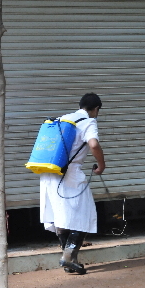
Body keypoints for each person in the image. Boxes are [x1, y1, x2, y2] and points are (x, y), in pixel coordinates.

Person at [40, 93, 106, 274]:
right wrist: (101, 164)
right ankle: (68, 257)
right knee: (85, 212)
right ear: (96, 109)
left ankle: (69, 259)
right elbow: (93, 144)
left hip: (50, 171)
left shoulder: (64, 119)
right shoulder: (88, 121)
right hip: (69, 173)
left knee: (62, 215)